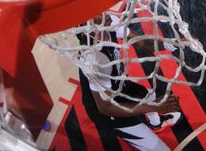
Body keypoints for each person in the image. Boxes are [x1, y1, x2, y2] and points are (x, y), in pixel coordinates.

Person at [78, 12, 182, 150]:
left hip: (118, 84)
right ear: (85, 22)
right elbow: (105, 107)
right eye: (97, 13)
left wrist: (175, 44)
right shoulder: (94, 57)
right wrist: (155, 107)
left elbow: (144, 43)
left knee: (149, 95)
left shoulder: (109, 22)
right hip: (106, 110)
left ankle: (156, 124)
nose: (105, 13)